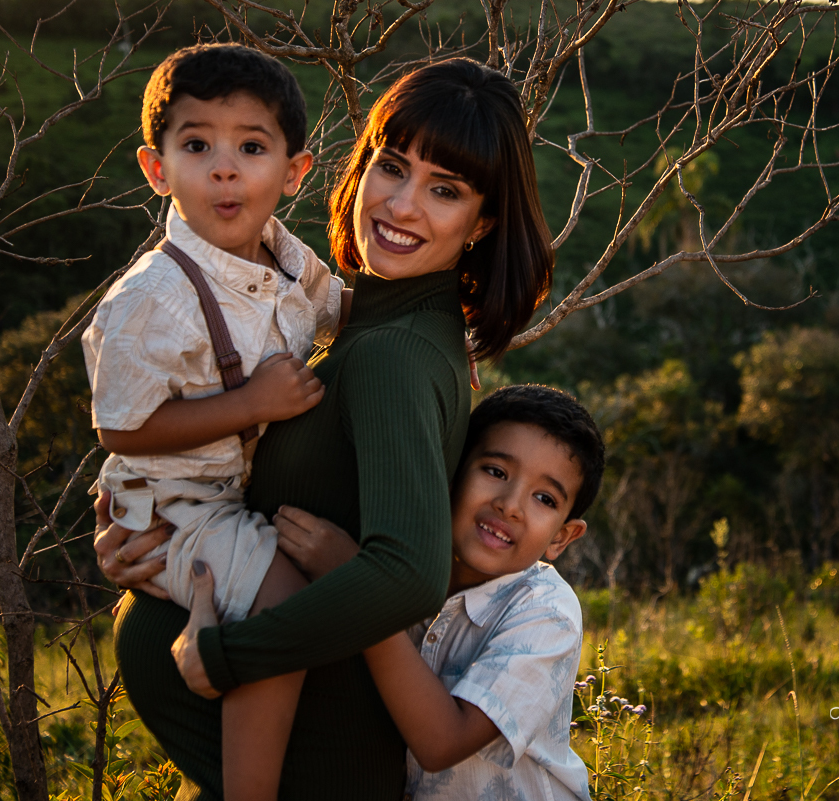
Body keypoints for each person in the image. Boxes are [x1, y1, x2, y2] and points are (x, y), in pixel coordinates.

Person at [94, 56, 554, 800]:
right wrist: (153, 515)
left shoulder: (395, 353)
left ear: (483, 220)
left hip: (313, 769)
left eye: (444, 191)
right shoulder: (372, 321)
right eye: (391, 167)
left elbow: (408, 572)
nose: (402, 206)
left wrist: (236, 654)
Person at [83, 44, 346, 801]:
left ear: (292, 173)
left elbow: (342, 311)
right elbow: (121, 428)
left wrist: (436, 331)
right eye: (197, 145)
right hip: (176, 508)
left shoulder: (287, 256)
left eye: (251, 147)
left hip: (233, 493)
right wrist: (249, 406)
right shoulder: (148, 301)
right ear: (157, 168)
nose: (224, 169)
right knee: (289, 608)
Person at [272, 384, 604, 800]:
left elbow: (443, 743)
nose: (510, 505)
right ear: (449, 469)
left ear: (562, 538)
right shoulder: (402, 559)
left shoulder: (546, 611)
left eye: (544, 498)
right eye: (496, 472)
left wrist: (358, 586)